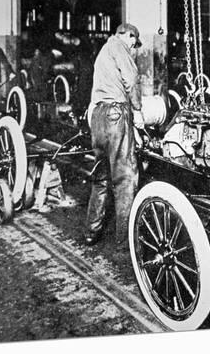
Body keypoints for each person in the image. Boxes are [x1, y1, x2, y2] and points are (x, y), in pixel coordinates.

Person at [84, 23, 144, 250]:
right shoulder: (119, 47)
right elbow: (132, 78)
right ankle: (126, 240)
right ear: (127, 35)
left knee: (101, 177)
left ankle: (91, 231)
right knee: (125, 178)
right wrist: (138, 110)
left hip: (98, 116)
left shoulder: (103, 52)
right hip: (116, 115)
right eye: (134, 41)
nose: (133, 46)